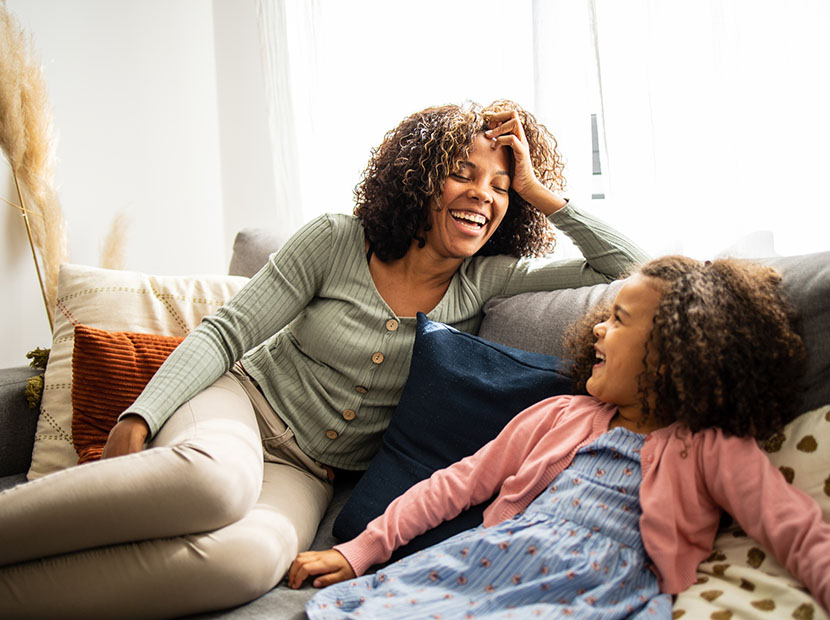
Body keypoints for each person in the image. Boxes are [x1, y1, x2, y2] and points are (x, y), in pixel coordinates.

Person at [0, 100, 648, 618]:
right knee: (213, 485)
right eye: (463, 172)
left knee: (247, 562)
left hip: (309, 471)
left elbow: (631, 268)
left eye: (500, 186)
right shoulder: (338, 240)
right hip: (241, 406)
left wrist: (536, 188)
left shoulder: (490, 280)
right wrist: (141, 415)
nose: (483, 194)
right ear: (421, 178)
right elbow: (228, 333)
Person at [289, 256, 830, 619]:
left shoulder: (710, 447)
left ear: (674, 355)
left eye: (618, 321)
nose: (597, 327)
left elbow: (793, 526)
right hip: (496, 558)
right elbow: (455, 485)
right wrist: (363, 548)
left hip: (609, 588)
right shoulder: (560, 414)